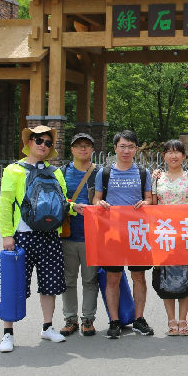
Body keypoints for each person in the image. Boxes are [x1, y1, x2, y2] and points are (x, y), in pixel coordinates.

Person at [0, 125, 74, 353]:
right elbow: (5, 205)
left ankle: (47, 327)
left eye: (48, 143)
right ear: (29, 142)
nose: (43, 145)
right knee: (15, 284)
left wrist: (74, 208)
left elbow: (62, 202)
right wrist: (7, 234)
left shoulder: (55, 172)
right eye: (39, 141)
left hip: (50, 235)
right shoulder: (13, 170)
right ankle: (8, 333)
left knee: (50, 285)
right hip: (22, 235)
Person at [93, 130, 154, 339]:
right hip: (112, 233)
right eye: (122, 146)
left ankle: (139, 319)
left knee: (139, 276)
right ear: (115, 148)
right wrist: (99, 203)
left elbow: (149, 199)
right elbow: (96, 199)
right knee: (113, 277)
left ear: (136, 149)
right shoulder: (104, 172)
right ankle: (114, 321)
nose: (126, 150)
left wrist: (145, 203)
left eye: (130, 146)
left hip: (137, 232)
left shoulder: (143, 173)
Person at [151, 139, 188, 336]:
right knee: (165, 278)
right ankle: (171, 320)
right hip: (164, 236)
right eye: (169, 152)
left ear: (183, 155)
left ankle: (183, 319)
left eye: (177, 152)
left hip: (186, 235)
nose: (173, 156)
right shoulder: (157, 178)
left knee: (186, 277)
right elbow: (153, 208)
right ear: (164, 155)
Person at [59, 133, 101, 338]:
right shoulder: (62, 172)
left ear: (92, 150)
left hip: (93, 236)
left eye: (87, 145)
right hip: (67, 234)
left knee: (90, 280)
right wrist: (72, 205)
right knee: (68, 280)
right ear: (72, 149)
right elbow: (56, 198)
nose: (83, 149)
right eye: (78, 145)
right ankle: (70, 319)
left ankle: (88, 319)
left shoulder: (100, 173)